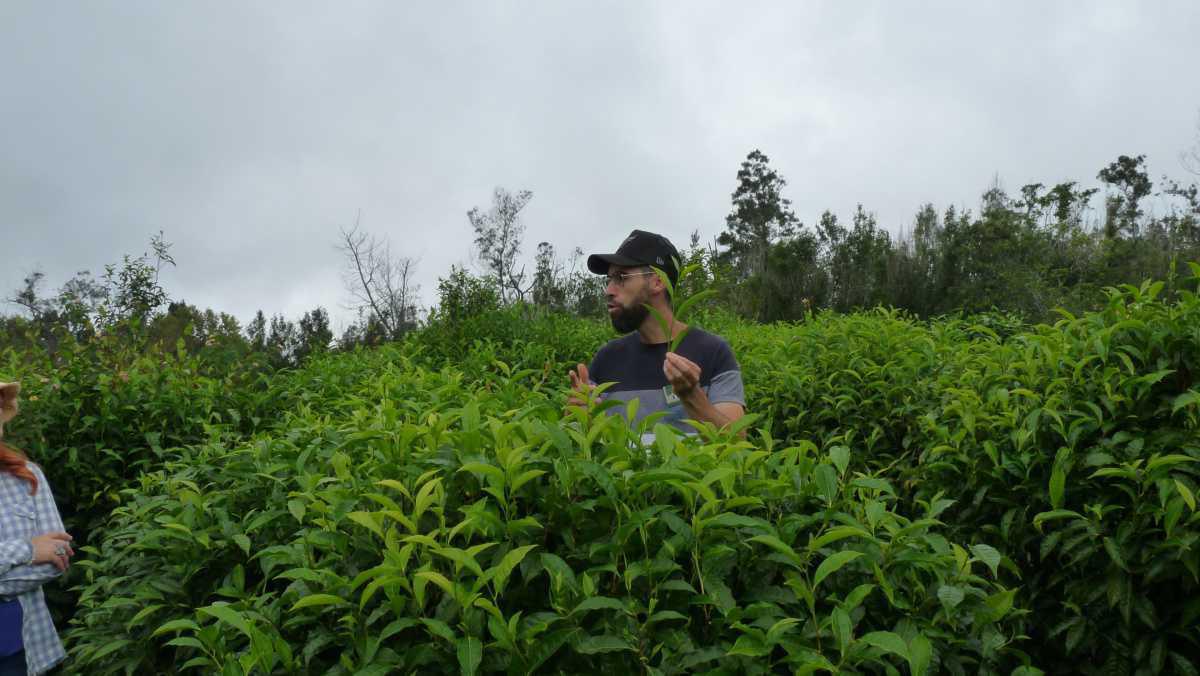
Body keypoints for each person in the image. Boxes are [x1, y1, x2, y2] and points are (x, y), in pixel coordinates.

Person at [567, 229, 746, 436]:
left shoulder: (713, 352)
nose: (609, 290)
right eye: (609, 280)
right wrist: (579, 417)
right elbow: (581, 442)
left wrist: (692, 396)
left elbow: (737, 442)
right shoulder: (607, 358)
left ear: (658, 282)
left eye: (621, 277)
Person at [0, 382, 72, 676]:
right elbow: (39, 554)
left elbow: (57, 556)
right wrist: (28, 549)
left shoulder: (26, 477)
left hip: (16, 643)